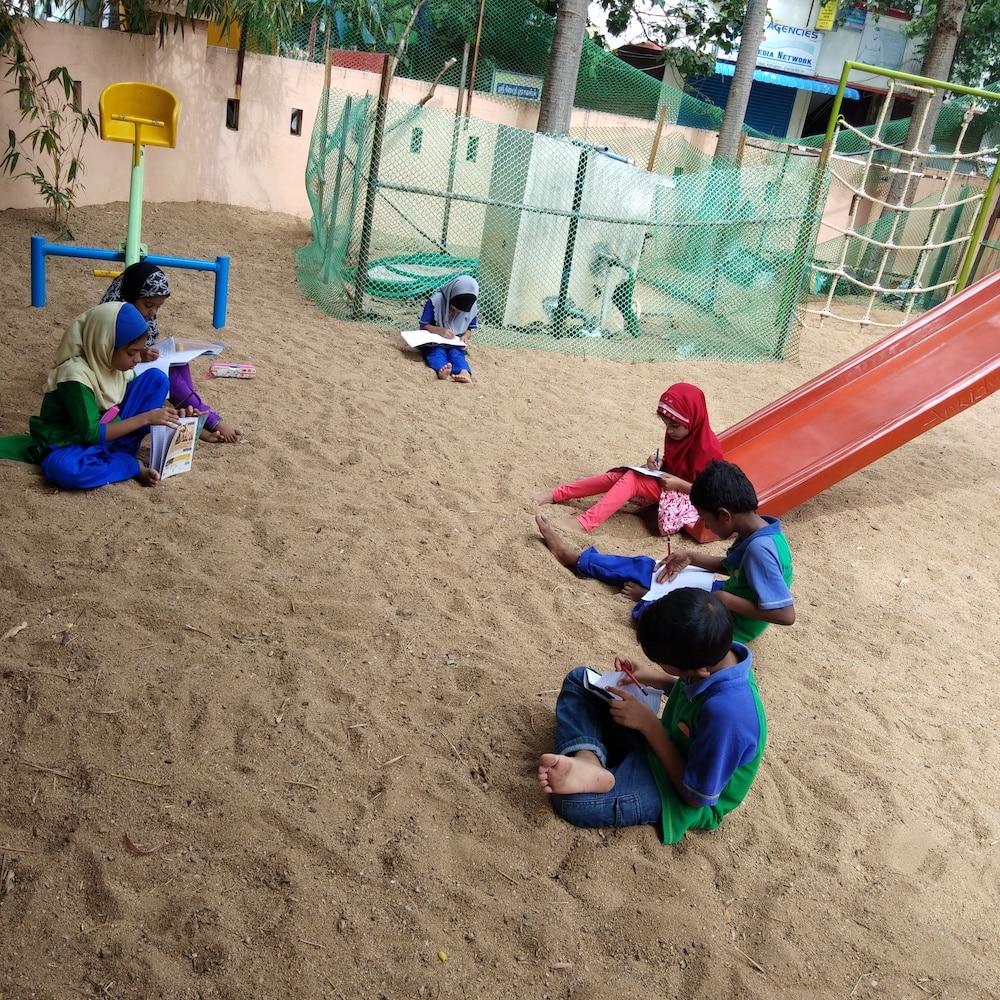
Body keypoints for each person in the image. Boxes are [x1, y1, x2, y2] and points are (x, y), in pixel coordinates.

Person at [537, 587, 766, 844]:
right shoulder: (721, 653)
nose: (659, 665)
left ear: (699, 669)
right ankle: (588, 760)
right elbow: (690, 690)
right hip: (664, 744)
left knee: (572, 803)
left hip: (678, 795)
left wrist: (648, 725)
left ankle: (591, 760)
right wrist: (652, 676)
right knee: (581, 679)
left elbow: (696, 796)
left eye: (662, 663)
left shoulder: (728, 715)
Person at [535, 459, 794, 645]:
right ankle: (575, 558)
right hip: (725, 599)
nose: (705, 525)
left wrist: (724, 601)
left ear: (724, 515)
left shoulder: (761, 550)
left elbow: (784, 614)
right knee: (650, 567)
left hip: (731, 623)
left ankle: (648, 598)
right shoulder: (760, 529)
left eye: (705, 518)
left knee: (654, 620)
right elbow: (734, 567)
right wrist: (691, 557)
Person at [0, 302, 183, 488]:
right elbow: (91, 434)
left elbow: (127, 400)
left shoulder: (114, 365)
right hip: (71, 441)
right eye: (131, 353)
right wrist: (146, 418)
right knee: (63, 470)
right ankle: (128, 464)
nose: (137, 359)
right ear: (105, 345)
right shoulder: (75, 377)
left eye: (140, 351)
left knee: (156, 379)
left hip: (111, 428)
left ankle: (118, 452)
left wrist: (180, 419)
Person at [532, 383, 723, 535]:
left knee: (632, 480)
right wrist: (658, 464)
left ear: (694, 419)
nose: (669, 431)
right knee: (621, 475)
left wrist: (678, 484)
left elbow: (712, 493)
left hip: (690, 498)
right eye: (666, 425)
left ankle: (585, 523)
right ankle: (557, 494)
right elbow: (675, 464)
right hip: (669, 483)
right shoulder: (679, 436)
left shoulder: (709, 449)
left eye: (675, 425)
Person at [101, 262, 242, 443]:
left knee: (178, 363)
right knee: (165, 374)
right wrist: (141, 355)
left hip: (132, 366)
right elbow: (111, 353)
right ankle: (209, 419)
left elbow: (137, 346)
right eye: (149, 304)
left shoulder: (140, 315)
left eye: (158, 307)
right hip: (116, 376)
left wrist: (145, 352)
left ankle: (196, 417)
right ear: (131, 295)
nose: (152, 312)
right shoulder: (114, 317)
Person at [417, 275, 478, 383]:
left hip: (455, 342)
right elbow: (423, 326)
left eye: (460, 312)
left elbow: (469, 329)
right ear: (451, 296)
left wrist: (465, 337)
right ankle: (443, 370)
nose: (456, 313)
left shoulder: (472, 308)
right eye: (454, 309)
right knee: (436, 352)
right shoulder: (437, 300)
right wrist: (441, 330)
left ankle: (464, 372)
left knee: (457, 354)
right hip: (434, 341)